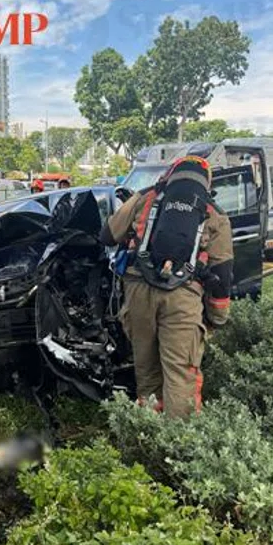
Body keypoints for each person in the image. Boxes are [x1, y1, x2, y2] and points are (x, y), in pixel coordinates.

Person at [99, 156, 233, 417]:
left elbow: (107, 235)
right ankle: (178, 447)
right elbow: (222, 273)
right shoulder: (214, 213)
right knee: (180, 375)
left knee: (147, 373)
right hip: (182, 298)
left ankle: (150, 435)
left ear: (169, 175)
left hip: (138, 293)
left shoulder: (144, 198)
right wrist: (217, 318)